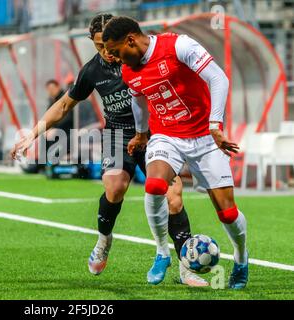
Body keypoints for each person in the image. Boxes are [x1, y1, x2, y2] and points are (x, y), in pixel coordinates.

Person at [11, 14, 207, 287]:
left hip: (155, 134)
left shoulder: (140, 56)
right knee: (114, 189)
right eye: (99, 46)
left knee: (173, 197)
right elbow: (65, 105)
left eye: (109, 44)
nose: (107, 52)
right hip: (116, 134)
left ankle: (186, 268)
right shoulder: (92, 70)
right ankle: (104, 240)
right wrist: (32, 134)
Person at [102, 16, 248, 289]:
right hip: (166, 136)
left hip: (205, 136)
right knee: (155, 185)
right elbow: (139, 100)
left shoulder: (178, 46)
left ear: (131, 40)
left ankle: (241, 258)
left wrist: (215, 124)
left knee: (227, 213)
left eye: (116, 51)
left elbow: (218, 78)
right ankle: (161, 252)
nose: (116, 58)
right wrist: (142, 133)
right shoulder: (128, 71)